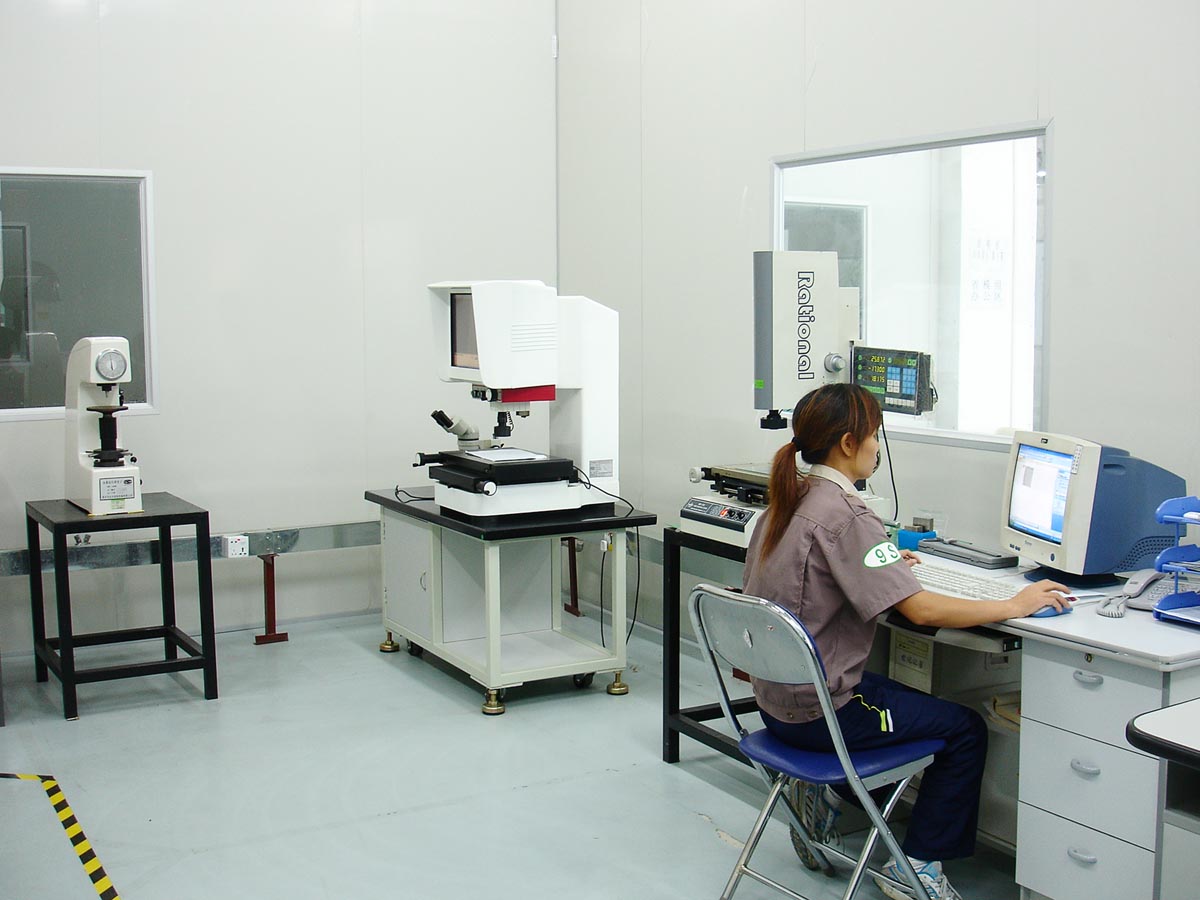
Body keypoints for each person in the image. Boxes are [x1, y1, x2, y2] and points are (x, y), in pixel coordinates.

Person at [742, 383, 1068, 900]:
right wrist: (1014, 604)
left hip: (776, 705)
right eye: (875, 435)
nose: (877, 447)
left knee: (896, 695)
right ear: (849, 443)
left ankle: (828, 794)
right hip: (822, 718)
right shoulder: (848, 515)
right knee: (963, 729)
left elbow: (831, 571)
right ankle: (914, 867)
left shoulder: (786, 502)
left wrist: (888, 564)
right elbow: (921, 610)